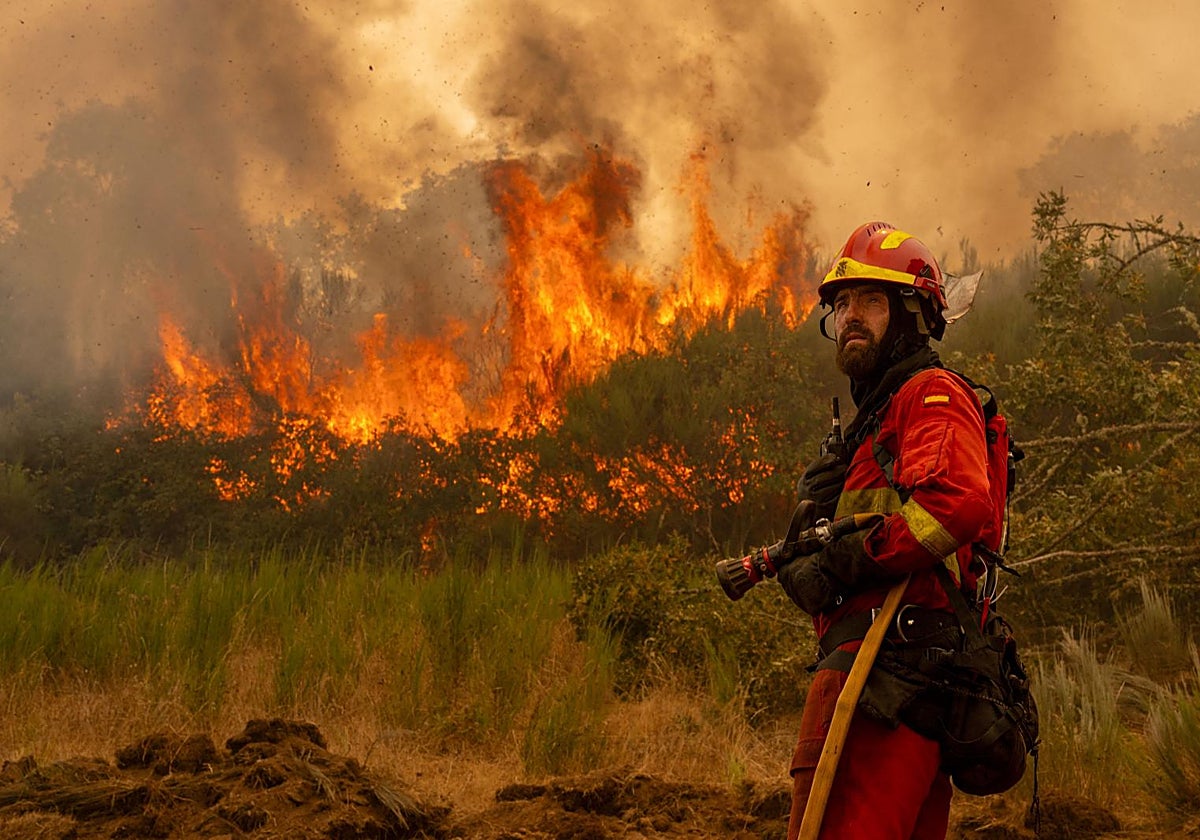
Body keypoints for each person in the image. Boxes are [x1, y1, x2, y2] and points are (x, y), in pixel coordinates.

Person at [777, 221, 996, 839]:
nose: (850, 315)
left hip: (888, 680)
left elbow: (957, 504)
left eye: (871, 300)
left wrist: (854, 557)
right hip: (881, 677)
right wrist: (809, 553)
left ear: (912, 315)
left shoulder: (927, 394)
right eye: (842, 303)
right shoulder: (872, 426)